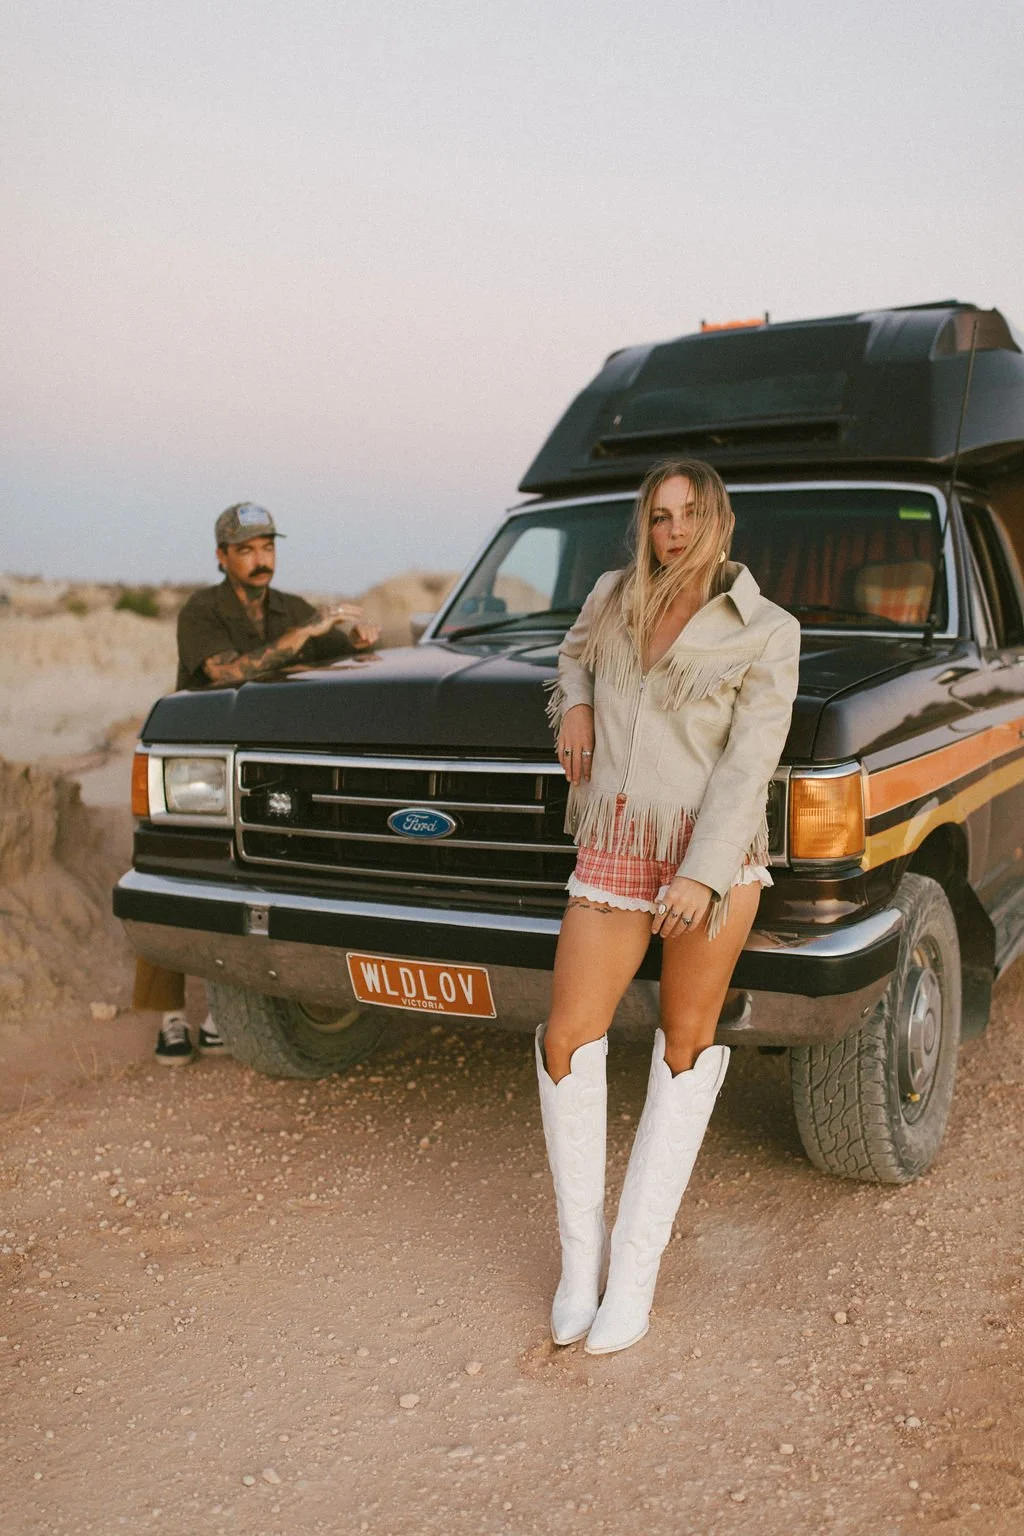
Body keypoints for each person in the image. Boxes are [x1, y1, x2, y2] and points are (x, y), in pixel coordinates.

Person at [537, 459, 800, 1354]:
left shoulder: (767, 629)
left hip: (709, 860)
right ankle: (581, 1266)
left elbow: (750, 763)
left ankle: (635, 1274)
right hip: (615, 842)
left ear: (719, 522)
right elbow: (573, 658)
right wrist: (575, 707)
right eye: (659, 516)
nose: (674, 531)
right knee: (566, 1039)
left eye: (689, 515)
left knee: (685, 1047)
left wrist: (702, 873)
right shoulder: (614, 596)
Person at [145, 500, 380, 1064]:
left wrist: (358, 640)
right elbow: (226, 672)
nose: (260, 559)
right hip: (202, 763)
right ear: (222, 556)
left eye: (267, 547)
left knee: (255, 885)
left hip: (266, 765)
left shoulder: (290, 608)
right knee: (171, 877)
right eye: (246, 550)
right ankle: (169, 1018)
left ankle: (221, 1015)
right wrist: (308, 632)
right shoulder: (201, 611)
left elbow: (335, 654)